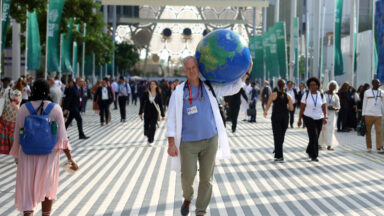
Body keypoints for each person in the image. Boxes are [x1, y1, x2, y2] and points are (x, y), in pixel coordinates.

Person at [166, 56, 251, 216]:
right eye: (188, 68)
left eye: (194, 67)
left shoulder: (210, 86)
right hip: (188, 143)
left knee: (206, 178)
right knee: (188, 176)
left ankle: (201, 210)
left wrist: (246, 72)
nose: (192, 71)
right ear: (184, 71)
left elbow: (233, 88)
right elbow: (171, 119)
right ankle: (188, 197)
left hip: (210, 140)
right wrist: (171, 143)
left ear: (199, 68)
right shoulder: (179, 92)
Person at [10, 79, 78, 216]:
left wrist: (17, 155)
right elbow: (62, 137)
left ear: (33, 90)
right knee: (47, 187)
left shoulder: (24, 108)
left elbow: (17, 134)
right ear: (48, 91)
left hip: (27, 156)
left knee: (27, 190)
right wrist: (70, 158)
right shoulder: (55, 108)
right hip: (49, 156)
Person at [263, 79, 294, 162]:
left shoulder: (273, 95)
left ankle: (279, 155)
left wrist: (265, 112)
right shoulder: (288, 96)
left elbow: (268, 104)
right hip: (285, 118)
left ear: (277, 86)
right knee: (281, 136)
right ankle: (278, 150)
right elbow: (291, 108)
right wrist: (286, 106)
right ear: (285, 86)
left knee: (277, 136)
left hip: (276, 117)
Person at [298, 77, 327, 162]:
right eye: (310, 85)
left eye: (314, 85)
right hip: (308, 117)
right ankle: (314, 155)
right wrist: (299, 119)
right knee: (313, 135)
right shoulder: (306, 95)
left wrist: (325, 117)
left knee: (316, 136)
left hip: (319, 118)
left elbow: (324, 107)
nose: (312, 87)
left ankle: (308, 150)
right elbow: (302, 108)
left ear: (317, 86)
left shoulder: (321, 95)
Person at [0, 78, 26, 155]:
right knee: (14, 139)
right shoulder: (18, 93)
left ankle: (7, 151)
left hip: (4, 117)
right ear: (23, 86)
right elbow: (14, 104)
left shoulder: (8, 90)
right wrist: (21, 112)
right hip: (13, 118)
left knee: (5, 135)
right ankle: (17, 157)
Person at [362, 79, 384, 153]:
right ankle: (369, 147)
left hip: (378, 115)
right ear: (372, 83)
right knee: (368, 131)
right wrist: (363, 115)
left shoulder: (382, 92)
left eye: (378, 83)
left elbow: (383, 104)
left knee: (379, 132)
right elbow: (364, 104)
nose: (377, 84)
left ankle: (379, 147)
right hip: (368, 114)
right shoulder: (367, 92)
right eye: (375, 83)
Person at [319, 81, 340, 151]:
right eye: (331, 86)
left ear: (335, 88)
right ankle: (319, 144)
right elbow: (320, 104)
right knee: (322, 129)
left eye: (333, 86)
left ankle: (329, 145)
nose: (332, 87)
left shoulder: (336, 96)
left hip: (332, 116)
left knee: (330, 130)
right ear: (329, 86)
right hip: (323, 114)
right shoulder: (324, 94)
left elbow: (338, 107)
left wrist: (334, 108)